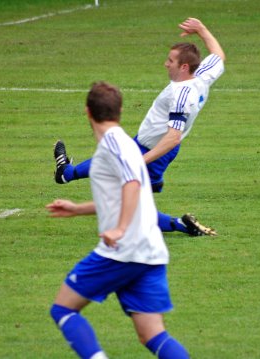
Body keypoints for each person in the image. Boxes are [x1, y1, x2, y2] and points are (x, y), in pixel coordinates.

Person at [47, 81, 189, 359]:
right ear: (121, 110)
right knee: (152, 334)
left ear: (87, 112)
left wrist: (120, 228)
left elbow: (133, 183)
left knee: (62, 308)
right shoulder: (125, 144)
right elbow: (122, 197)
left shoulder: (113, 144)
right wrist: (77, 209)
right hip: (150, 251)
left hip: (125, 250)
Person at [53, 17, 225, 236]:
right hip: (146, 144)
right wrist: (200, 29)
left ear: (183, 67)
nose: (165, 63)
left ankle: (179, 224)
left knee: (130, 206)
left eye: (170, 61)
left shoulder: (182, 95)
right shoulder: (201, 75)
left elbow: (173, 137)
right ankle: (66, 173)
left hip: (155, 150)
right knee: (110, 159)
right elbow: (219, 56)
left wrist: (139, 161)